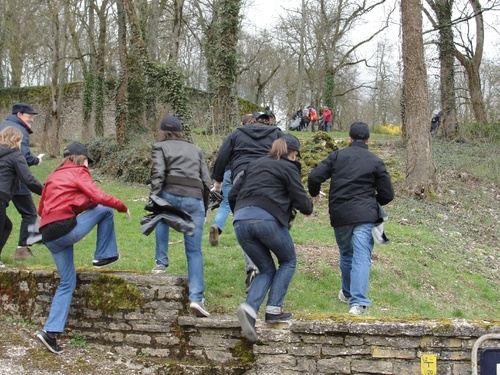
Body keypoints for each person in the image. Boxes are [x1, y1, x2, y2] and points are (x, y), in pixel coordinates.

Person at [36, 142, 130, 354]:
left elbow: (41, 208)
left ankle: (49, 333)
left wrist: (83, 205)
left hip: (48, 235)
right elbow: (98, 197)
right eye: (88, 160)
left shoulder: (53, 176)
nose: (88, 165)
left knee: (67, 282)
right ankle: (103, 256)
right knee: (106, 209)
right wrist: (122, 206)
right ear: (81, 158)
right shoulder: (79, 171)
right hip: (65, 230)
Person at [229, 135, 313, 342]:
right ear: (292, 153)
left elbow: (232, 194)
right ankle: (274, 309)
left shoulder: (254, 164)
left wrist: (243, 213)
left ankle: (249, 308)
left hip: (240, 222)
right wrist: (309, 207)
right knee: (288, 260)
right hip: (266, 220)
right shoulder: (288, 167)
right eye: (296, 155)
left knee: (266, 268)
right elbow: (300, 199)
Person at [308, 122, 394, 316]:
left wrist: (314, 194)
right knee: (362, 255)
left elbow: (314, 177)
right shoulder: (375, 161)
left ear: (350, 138)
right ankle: (359, 303)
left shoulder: (337, 156)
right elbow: (388, 194)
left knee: (347, 254)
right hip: (365, 215)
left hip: (340, 214)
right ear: (368, 140)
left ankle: (347, 294)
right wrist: (372, 202)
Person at [211, 111, 283, 291]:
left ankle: (254, 266)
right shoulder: (276, 133)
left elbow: (222, 156)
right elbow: (290, 152)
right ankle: (266, 261)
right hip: (269, 176)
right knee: (267, 218)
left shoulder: (237, 133)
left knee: (245, 220)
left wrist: (217, 183)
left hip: (242, 177)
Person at [150, 115, 211, 318]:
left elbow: (158, 173)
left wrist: (155, 196)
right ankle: (196, 298)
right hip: (195, 198)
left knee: (161, 215)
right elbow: (206, 179)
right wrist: (205, 205)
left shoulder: (159, 147)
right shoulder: (196, 149)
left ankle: (161, 262)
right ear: (180, 131)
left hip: (169, 192)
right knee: (194, 251)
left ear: (163, 131)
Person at [0, 103, 42, 260]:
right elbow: (23, 159)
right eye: (29, 116)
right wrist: (36, 160)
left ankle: (35, 241)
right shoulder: (17, 131)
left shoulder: (4, 126)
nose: (31, 119)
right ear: (19, 115)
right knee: (30, 212)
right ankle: (23, 250)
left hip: (7, 182)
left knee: (6, 224)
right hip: (16, 180)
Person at [209, 114, 254, 247]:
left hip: (229, 173)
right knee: (247, 205)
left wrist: (217, 180)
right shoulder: (255, 139)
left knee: (226, 203)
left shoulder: (233, 136)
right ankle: (247, 234)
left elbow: (222, 156)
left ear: (241, 123)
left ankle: (217, 226)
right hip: (246, 173)